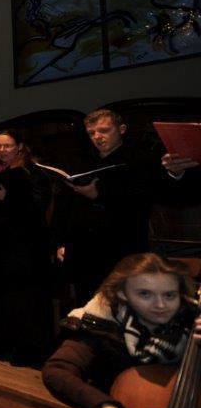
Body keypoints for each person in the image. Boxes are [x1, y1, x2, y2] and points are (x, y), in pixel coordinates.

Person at [39, 253, 201, 408]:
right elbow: (57, 371)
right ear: (122, 294)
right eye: (145, 294)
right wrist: (105, 407)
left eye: (169, 295)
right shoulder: (103, 322)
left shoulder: (189, 322)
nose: (160, 305)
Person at [52, 109, 155, 305]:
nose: (97, 137)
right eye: (91, 132)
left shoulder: (138, 160)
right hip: (84, 250)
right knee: (86, 306)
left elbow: (140, 202)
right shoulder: (82, 161)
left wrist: (99, 196)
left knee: (121, 305)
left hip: (121, 248)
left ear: (122, 129)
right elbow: (66, 206)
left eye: (104, 130)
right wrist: (61, 243)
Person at [0, 130, 53, 365]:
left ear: (19, 146)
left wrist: (6, 198)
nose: (2, 150)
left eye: (7, 146)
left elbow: (39, 206)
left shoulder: (33, 171)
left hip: (25, 246)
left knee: (23, 298)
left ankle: (28, 347)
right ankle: (4, 340)